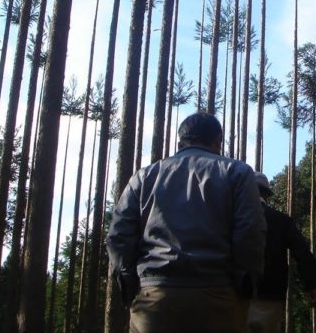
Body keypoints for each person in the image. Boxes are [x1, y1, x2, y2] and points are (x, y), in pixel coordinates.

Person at [106, 112, 265, 333]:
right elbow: (250, 230)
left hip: (155, 296)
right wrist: (244, 281)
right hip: (218, 295)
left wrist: (129, 280)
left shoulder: (144, 176)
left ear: (180, 143)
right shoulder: (237, 172)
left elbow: (118, 234)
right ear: (218, 140)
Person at [248, 172, 316, 333]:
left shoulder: (231, 217)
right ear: (267, 195)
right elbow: (302, 253)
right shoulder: (281, 221)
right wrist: (312, 284)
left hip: (232, 293)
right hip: (270, 294)